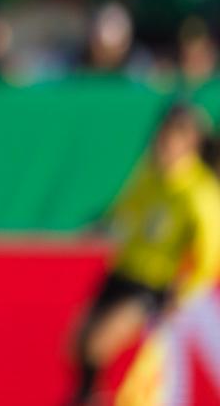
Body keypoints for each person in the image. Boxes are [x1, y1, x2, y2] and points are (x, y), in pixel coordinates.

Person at [73, 104, 220, 404]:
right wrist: (103, 223)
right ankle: (90, 395)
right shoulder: (150, 175)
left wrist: (183, 292)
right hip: (123, 272)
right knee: (77, 343)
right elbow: (126, 210)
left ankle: (92, 398)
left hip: (155, 285)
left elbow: (210, 256)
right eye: (161, 136)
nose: (162, 144)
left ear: (190, 144)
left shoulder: (200, 194)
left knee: (100, 344)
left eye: (170, 138)